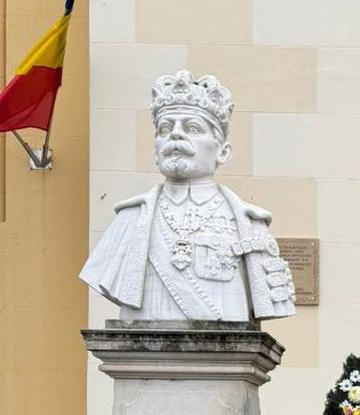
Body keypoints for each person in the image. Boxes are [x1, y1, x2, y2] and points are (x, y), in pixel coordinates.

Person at [80, 71, 296, 324]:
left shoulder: (251, 226)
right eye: (165, 128)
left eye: (193, 128)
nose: (176, 134)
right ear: (156, 150)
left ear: (223, 152)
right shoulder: (129, 219)